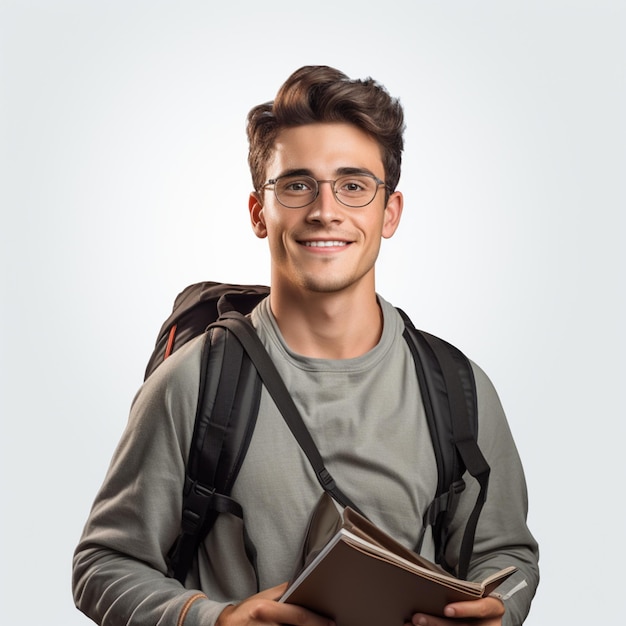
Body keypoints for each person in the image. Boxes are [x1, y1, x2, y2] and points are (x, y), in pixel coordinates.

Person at [72, 65, 539, 626]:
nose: (325, 209)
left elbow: (507, 555)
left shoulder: (462, 390)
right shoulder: (192, 384)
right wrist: (213, 620)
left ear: (389, 212)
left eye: (353, 185)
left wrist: (499, 611)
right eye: (296, 184)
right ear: (257, 213)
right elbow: (103, 564)